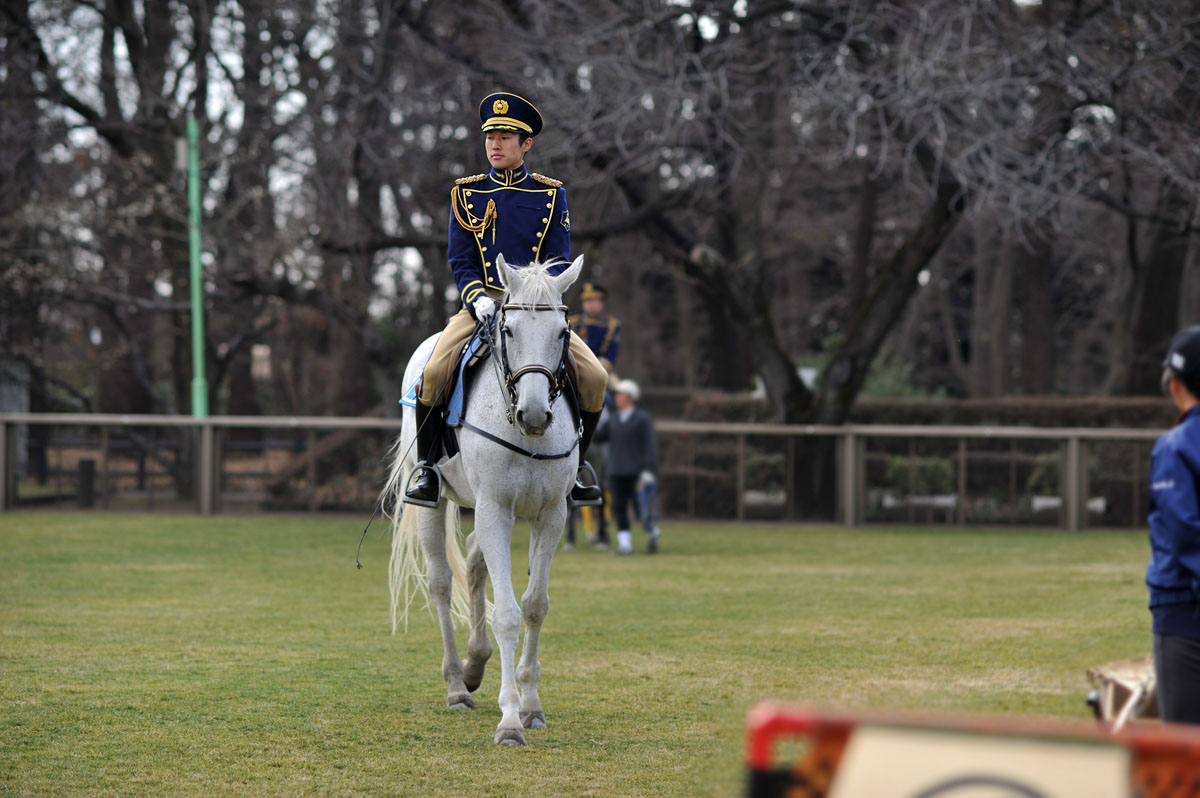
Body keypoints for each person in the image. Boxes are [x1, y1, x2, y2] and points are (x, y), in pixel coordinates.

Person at [405, 91, 608, 507]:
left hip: (534, 305)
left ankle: (577, 468)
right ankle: (427, 469)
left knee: (596, 378)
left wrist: (538, 295)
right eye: (490, 137)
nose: (494, 144)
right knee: (434, 371)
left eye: (505, 137)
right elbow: (461, 260)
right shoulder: (467, 193)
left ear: (526, 144)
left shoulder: (551, 196)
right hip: (480, 303)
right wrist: (477, 297)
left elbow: (557, 260)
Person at [1147, 325, 1200, 724]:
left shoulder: (1175, 447)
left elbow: (1184, 533)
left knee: (1182, 750)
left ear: (1175, 384)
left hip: (1183, 612)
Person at [606, 379, 660, 555]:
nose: (617, 398)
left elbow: (650, 445)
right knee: (619, 508)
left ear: (630, 398)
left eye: (620, 394)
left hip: (636, 472)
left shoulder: (642, 419)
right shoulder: (613, 418)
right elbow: (598, 437)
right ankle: (625, 545)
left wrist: (648, 469)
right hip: (616, 471)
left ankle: (653, 534)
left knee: (641, 509)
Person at [569, 282, 621, 375]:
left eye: (593, 301)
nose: (589, 305)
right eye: (586, 301)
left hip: (601, 370)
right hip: (575, 369)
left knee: (623, 389)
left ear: (601, 303)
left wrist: (598, 368)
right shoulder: (572, 323)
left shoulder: (612, 325)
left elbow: (611, 353)